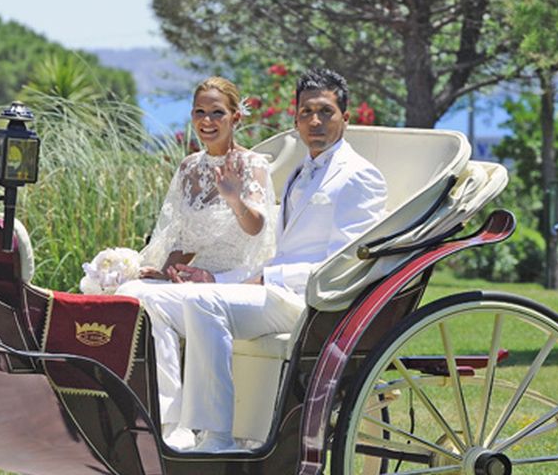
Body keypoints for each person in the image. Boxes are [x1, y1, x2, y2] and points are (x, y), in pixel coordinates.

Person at [144, 68, 388, 453]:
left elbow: (346, 266)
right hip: (273, 292)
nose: (315, 121)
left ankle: (217, 437)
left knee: (203, 302)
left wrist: (252, 282)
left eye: (325, 112)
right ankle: (171, 424)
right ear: (295, 119)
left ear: (346, 117)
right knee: (152, 300)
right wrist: (214, 276)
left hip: (312, 302)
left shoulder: (360, 177)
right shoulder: (297, 174)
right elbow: (277, 251)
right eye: (306, 112)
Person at [115, 76, 275, 451]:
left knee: (149, 300)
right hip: (194, 281)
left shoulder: (253, 164)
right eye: (200, 112)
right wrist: (165, 269)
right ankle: (168, 420)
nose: (207, 121)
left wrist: (235, 199)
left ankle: (186, 425)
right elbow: (183, 238)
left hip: (236, 282)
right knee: (134, 292)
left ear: (236, 117)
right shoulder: (189, 168)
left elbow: (257, 229)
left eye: (217, 112)